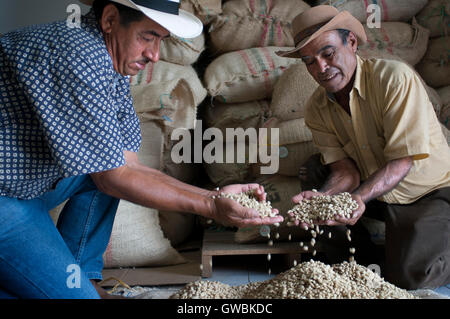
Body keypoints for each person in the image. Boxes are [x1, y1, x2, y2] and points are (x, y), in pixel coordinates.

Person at [0, 0, 283, 299]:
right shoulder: (77, 54)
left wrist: (216, 197)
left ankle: (80, 276)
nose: (154, 54)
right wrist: (212, 205)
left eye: (160, 40)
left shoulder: (110, 63)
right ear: (109, 19)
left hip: (25, 187)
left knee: (103, 170)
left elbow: (127, 166)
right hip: (6, 197)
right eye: (147, 37)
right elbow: (115, 176)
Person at [277, 5, 450, 291]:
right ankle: (355, 264)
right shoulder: (317, 107)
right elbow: (344, 170)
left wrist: (358, 199)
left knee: (411, 280)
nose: (321, 67)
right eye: (309, 61)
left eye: (328, 53)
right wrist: (323, 198)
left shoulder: (394, 79)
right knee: (314, 169)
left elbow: (402, 162)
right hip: (378, 192)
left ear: (352, 43)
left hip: (425, 192)